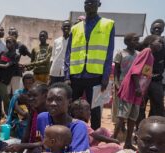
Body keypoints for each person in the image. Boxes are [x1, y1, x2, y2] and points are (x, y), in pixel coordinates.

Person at [64, 0, 115, 130]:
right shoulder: (75, 28)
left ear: (99, 4)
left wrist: (105, 77)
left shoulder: (108, 24)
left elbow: (109, 53)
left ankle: (95, 138)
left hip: (96, 76)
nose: (89, 5)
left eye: (92, 2)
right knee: (71, 108)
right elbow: (68, 53)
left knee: (96, 110)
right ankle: (72, 133)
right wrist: (67, 76)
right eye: (86, 2)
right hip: (76, 76)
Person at [116, 35, 162, 150]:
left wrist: (142, 92)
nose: (161, 44)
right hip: (132, 89)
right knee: (122, 116)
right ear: (151, 42)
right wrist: (137, 88)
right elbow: (136, 72)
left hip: (138, 92)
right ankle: (113, 139)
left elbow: (145, 76)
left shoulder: (151, 55)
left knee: (133, 118)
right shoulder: (146, 51)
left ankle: (128, 143)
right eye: (159, 42)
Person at [137, 19, 165, 125]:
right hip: (142, 81)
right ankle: (140, 128)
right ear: (151, 29)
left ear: (163, 30)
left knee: (158, 108)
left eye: (160, 28)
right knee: (139, 107)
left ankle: (153, 130)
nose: (157, 29)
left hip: (156, 81)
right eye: (155, 27)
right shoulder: (143, 43)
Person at [0, 36, 20, 121]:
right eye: (7, 42)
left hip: (3, 81)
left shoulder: (16, 56)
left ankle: (11, 120)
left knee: (6, 101)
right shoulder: (3, 53)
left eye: (10, 42)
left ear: (14, 44)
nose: (8, 44)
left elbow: (6, 65)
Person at [112, 33, 139, 130]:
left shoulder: (138, 54)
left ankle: (128, 126)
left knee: (131, 106)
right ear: (127, 42)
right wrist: (116, 83)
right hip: (122, 82)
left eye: (137, 40)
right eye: (134, 40)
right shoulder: (120, 53)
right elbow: (116, 70)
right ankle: (120, 126)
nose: (137, 42)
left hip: (134, 84)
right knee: (120, 105)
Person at [6, 72, 35, 139]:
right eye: (26, 83)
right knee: (23, 126)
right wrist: (24, 114)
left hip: (33, 115)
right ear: (23, 84)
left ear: (33, 83)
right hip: (21, 116)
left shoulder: (36, 93)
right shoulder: (19, 92)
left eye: (30, 83)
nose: (28, 85)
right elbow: (15, 106)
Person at [7, 27, 31, 95]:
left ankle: (15, 106)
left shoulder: (20, 46)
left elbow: (31, 56)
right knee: (7, 94)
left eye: (15, 34)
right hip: (6, 73)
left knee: (15, 94)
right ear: (8, 35)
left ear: (17, 35)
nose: (14, 36)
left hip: (16, 73)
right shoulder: (5, 45)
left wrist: (26, 66)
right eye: (11, 34)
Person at [49, 21, 71, 85]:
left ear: (70, 28)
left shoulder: (72, 41)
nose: (66, 28)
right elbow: (52, 57)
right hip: (54, 71)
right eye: (65, 26)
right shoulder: (56, 41)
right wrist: (50, 74)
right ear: (62, 28)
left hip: (66, 73)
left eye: (68, 26)